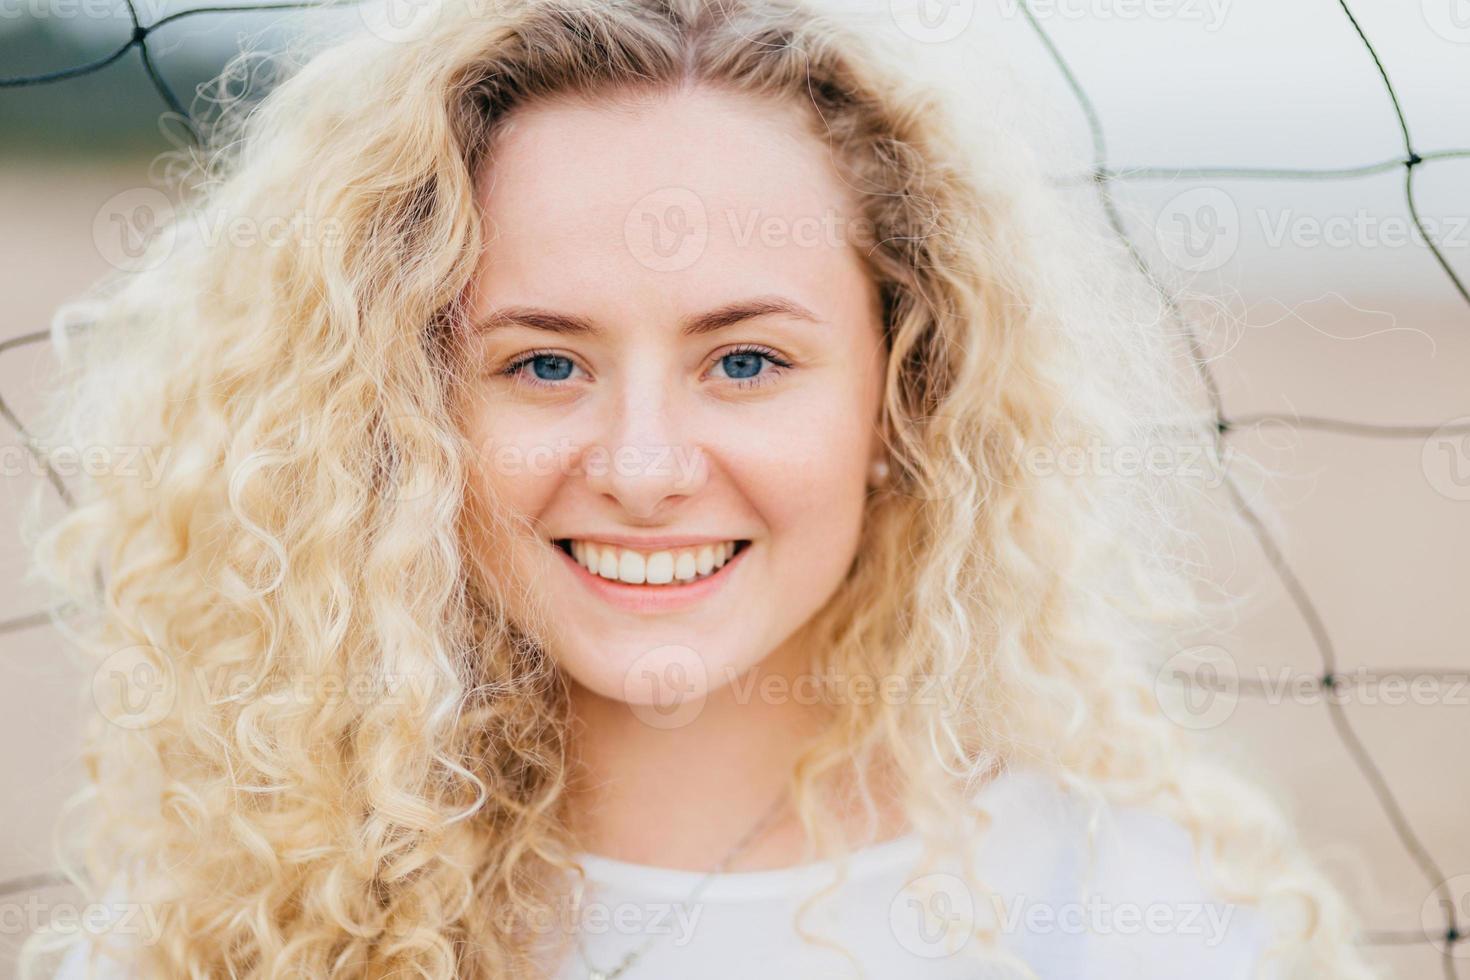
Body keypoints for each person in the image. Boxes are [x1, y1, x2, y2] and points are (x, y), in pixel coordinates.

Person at [24, 0, 1379, 977]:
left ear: (903, 398)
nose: (646, 467)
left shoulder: (1135, 920)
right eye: (543, 362)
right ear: (405, 412)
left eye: (744, 359)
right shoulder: (231, 927)